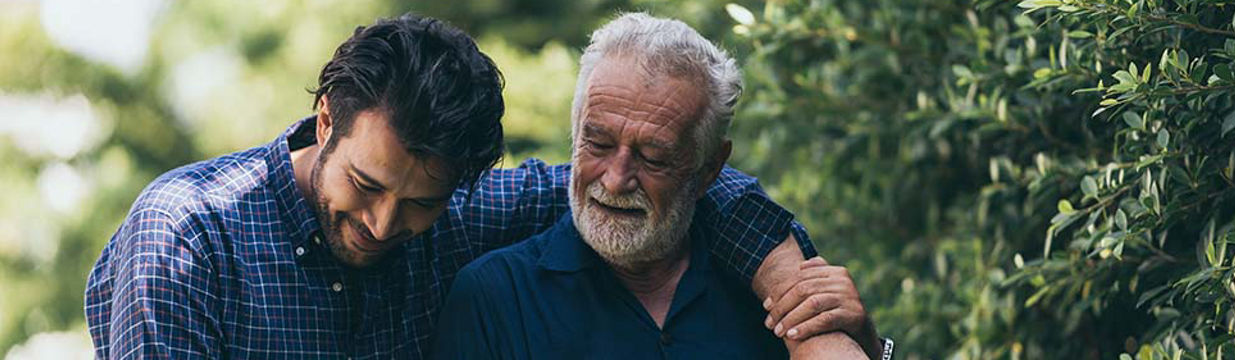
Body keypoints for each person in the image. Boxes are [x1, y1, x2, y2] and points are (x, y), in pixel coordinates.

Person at [84, 13, 885, 359]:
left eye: (421, 203)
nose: (383, 223)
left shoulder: (464, 217)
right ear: (325, 119)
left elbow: (661, 190)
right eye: (366, 185)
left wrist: (797, 296)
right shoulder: (189, 236)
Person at [431, 13, 887, 359]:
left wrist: (863, 341)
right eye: (598, 142)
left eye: (653, 157)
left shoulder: (767, 288)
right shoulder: (493, 297)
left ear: (710, 168)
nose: (615, 179)